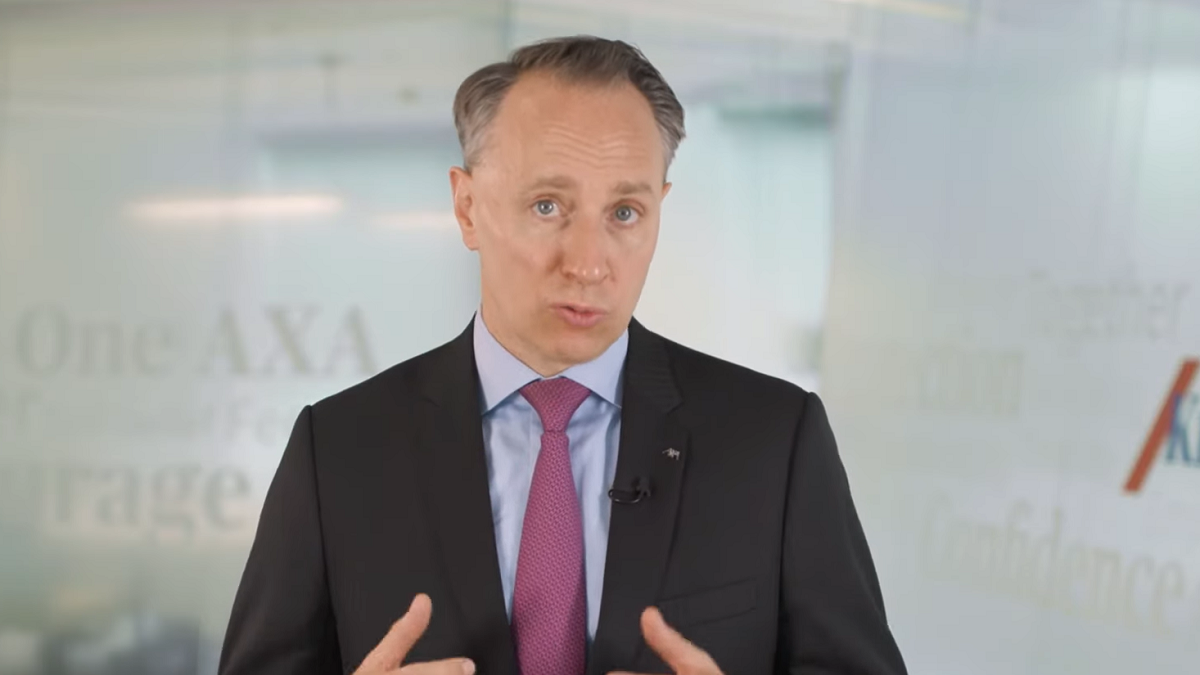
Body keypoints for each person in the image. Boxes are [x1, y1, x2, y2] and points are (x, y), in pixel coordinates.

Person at [218, 35, 907, 675]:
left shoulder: (775, 441)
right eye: (548, 206)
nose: (588, 263)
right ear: (467, 207)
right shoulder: (338, 449)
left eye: (625, 213)